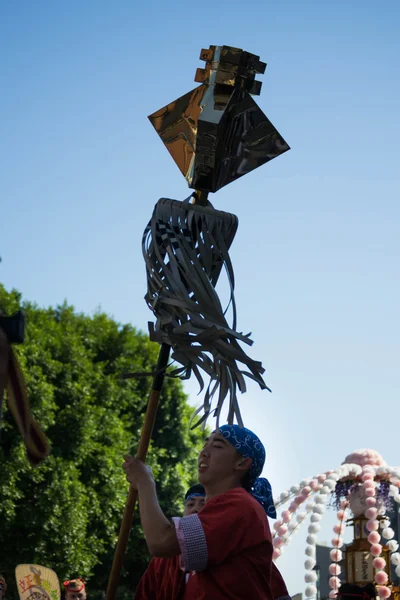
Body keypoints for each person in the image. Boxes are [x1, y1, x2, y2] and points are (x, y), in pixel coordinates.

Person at [123, 424, 290, 600]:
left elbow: (161, 542)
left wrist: (145, 482)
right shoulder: (224, 510)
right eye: (205, 444)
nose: (203, 452)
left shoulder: (241, 506)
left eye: (217, 445)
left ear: (242, 463)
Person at [134, 484, 206, 599]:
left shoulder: (221, 554)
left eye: (204, 504)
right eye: (190, 504)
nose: (195, 509)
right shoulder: (161, 561)